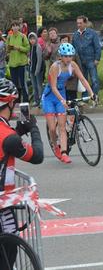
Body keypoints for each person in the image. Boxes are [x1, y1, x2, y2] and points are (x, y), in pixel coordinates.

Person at [0, 78, 43, 269]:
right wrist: (33, 128)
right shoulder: (8, 136)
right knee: (9, 251)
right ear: (9, 102)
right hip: (2, 205)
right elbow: (37, 156)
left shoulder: (9, 133)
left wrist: (18, 131)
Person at [42, 43, 94, 164]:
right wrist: (62, 100)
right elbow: (53, 87)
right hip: (50, 97)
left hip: (61, 95)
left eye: (70, 56)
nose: (68, 58)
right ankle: (55, 146)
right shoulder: (55, 67)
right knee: (52, 129)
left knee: (62, 126)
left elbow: (82, 79)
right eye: (66, 56)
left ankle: (64, 152)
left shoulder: (73, 65)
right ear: (60, 56)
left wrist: (91, 93)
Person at [72, 15, 101, 98]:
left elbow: (97, 47)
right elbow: (73, 49)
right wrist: (74, 62)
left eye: (80, 23)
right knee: (83, 80)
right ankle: (85, 99)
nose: (79, 25)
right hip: (80, 62)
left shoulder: (92, 33)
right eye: (77, 23)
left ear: (85, 23)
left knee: (94, 80)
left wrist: (97, 59)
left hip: (91, 60)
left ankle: (95, 97)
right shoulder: (75, 35)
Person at [6, 20, 30, 102]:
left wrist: (19, 48)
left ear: (19, 27)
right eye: (13, 26)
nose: (15, 27)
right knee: (15, 84)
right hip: (12, 64)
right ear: (11, 27)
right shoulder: (9, 37)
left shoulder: (23, 36)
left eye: (16, 25)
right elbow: (7, 49)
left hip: (21, 63)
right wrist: (9, 48)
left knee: (23, 84)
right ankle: (17, 100)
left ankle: (26, 101)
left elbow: (28, 48)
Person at [28, 33, 44, 107]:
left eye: (33, 39)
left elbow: (39, 60)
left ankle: (41, 101)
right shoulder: (31, 47)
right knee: (34, 86)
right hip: (32, 70)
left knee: (39, 86)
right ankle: (36, 100)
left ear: (36, 39)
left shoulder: (38, 47)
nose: (32, 40)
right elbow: (30, 57)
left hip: (38, 70)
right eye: (30, 39)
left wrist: (37, 71)